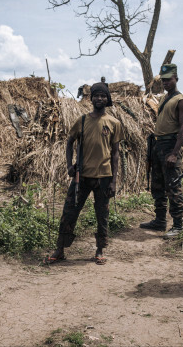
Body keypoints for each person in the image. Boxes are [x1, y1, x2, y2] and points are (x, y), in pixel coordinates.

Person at [46, 82, 122, 265]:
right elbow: (69, 142)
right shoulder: (81, 121)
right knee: (69, 211)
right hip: (82, 176)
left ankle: (100, 250)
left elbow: (115, 153)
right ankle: (60, 249)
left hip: (104, 177)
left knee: (102, 214)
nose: (99, 98)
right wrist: (69, 165)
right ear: (91, 98)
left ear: (107, 99)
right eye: (96, 95)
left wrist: (113, 181)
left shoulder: (114, 123)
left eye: (103, 96)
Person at [139, 64, 183, 239]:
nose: (166, 82)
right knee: (157, 185)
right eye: (164, 80)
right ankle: (160, 220)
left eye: (169, 79)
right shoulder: (164, 99)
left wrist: (175, 153)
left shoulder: (181, 100)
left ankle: (177, 225)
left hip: (170, 145)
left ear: (176, 78)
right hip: (158, 145)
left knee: (173, 186)